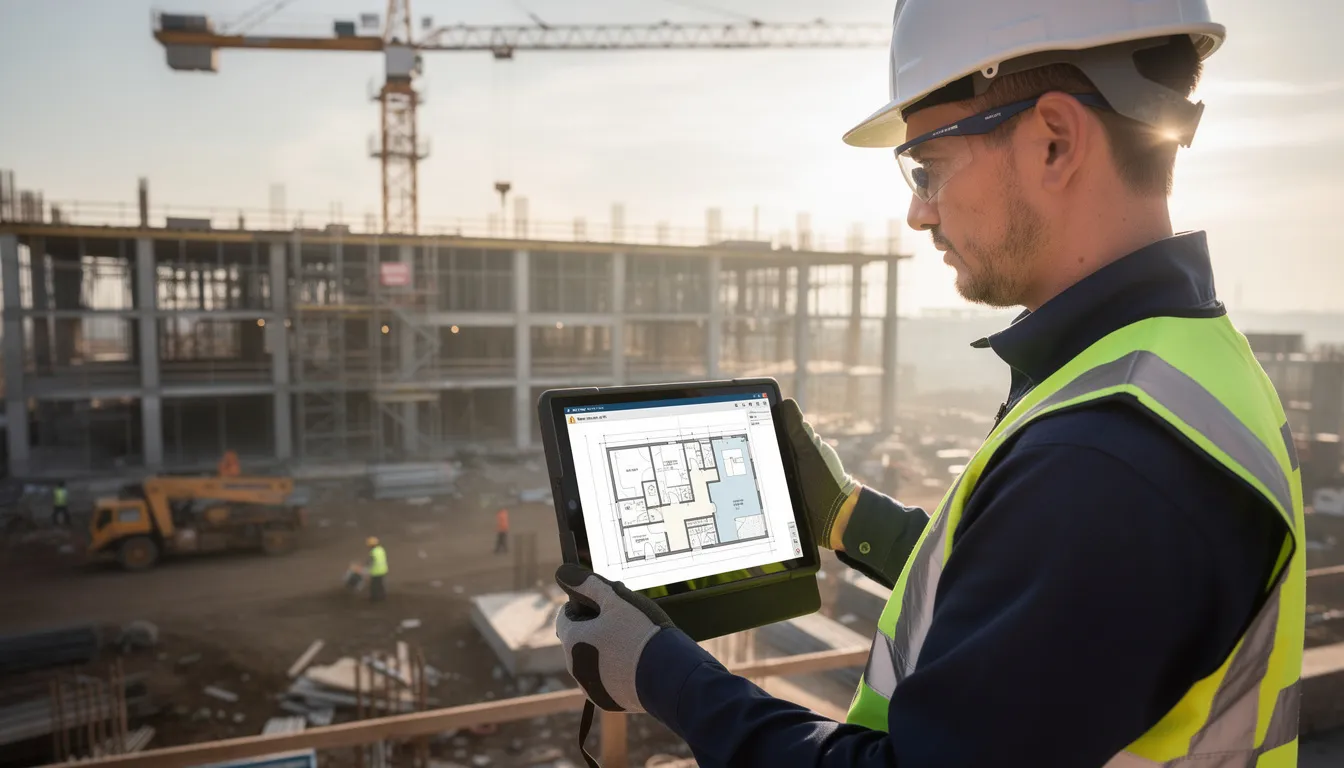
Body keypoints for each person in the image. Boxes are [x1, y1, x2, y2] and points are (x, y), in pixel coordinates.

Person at [552, 1, 1306, 766]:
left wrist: (662, 671)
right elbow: (1028, 607)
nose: (918, 212)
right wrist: (850, 519)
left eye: (929, 167)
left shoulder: (1106, 459)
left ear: (1055, 140)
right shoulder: (1176, 363)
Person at [366, 536, 388, 603]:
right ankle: (383, 596)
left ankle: (374, 598)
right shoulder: (381, 549)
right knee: (380, 584)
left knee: (374, 585)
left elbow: (371, 562)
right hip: (383, 569)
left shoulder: (373, 552)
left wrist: (367, 568)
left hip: (376, 571)